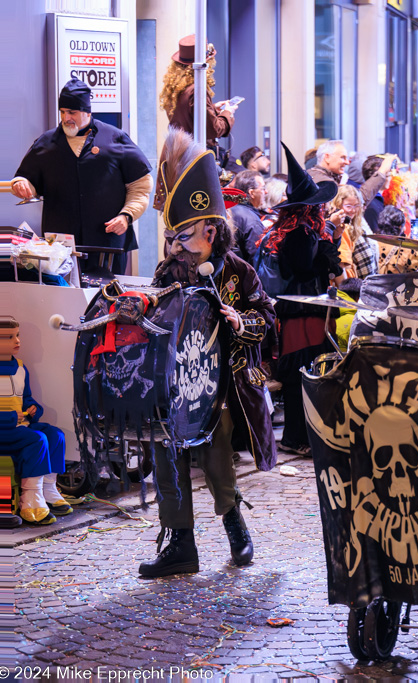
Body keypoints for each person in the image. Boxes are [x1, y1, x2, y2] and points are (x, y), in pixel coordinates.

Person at [142, 127, 276, 577]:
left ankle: (234, 522)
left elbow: (266, 318)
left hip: (220, 383)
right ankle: (180, 543)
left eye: (186, 234)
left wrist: (240, 321)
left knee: (217, 454)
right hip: (174, 381)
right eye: (174, 235)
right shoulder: (169, 269)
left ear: (212, 230)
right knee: (167, 452)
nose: (177, 243)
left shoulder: (238, 270)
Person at [13, 77, 152, 276]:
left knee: (107, 302)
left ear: (87, 111)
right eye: (62, 112)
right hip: (60, 249)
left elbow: (141, 185)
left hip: (107, 244)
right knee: (63, 302)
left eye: (72, 112)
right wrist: (22, 184)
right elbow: (26, 179)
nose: (66, 117)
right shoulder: (46, 143)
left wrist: (127, 215)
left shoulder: (115, 138)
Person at [258, 143, 342, 456]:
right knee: (301, 374)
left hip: (309, 309)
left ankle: (304, 433)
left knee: (310, 371)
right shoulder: (302, 234)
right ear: (310, 208)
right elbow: (305, 268)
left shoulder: (303, 231)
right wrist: (325, 253)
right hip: (302, 310)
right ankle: (295, 436)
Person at [0, 317, 71, 527]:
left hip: (18, 426)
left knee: (55, 435)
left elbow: (27, 397)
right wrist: (13, 418)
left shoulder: (21, 368)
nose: (17, 341)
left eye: (18, 335)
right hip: (4, 428)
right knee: (37, 440)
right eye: (9, 337)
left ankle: (48, 488)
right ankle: (30, 499)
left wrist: (33, 410)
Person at [161, 35, 236, 155]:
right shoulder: (197, 90)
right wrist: (227, 113)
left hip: (177, 154)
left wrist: (213, 108)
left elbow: (188, 117)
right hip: (193, 156)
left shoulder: (176, 88)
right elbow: (214, 129)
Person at [329, 185, 378, 279]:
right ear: (338, 205)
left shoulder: (357, 225)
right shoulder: (341, 228)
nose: (353, 210)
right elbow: (340, 264)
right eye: (348, 206)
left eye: (356, 206)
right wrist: (346, 290)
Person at [375, 205, 418, 274]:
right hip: (398, 284)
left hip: (373, 284)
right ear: (400, 227)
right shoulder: (407, 249)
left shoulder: (372, 242)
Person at [226, 170, 267, 266]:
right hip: (245, 276)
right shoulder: (251, 220)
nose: (266, 192)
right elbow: (256, 259)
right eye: (263, 188)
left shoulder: (228, 210)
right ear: (251, 193)